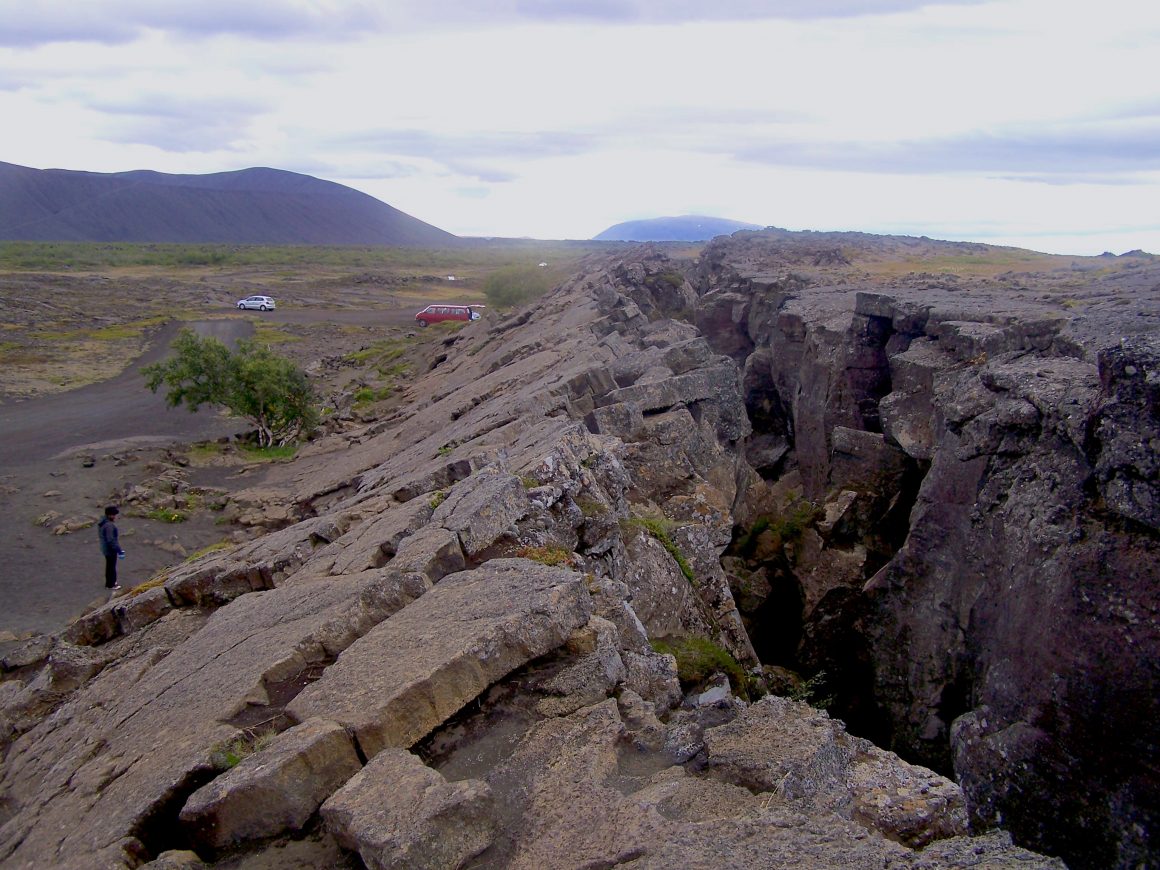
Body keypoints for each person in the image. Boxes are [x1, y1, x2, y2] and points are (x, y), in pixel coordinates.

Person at [98, 505, 125, 591]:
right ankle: (111, 584)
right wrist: (119, 550)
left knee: (109, 566)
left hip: (105, 549)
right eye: (114, 515)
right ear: (110, 515)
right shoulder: (109, 525)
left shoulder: (103, 522)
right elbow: (111, 540)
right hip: (110, 550)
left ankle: (109, 583)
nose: (115, 516)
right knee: (111, 567)